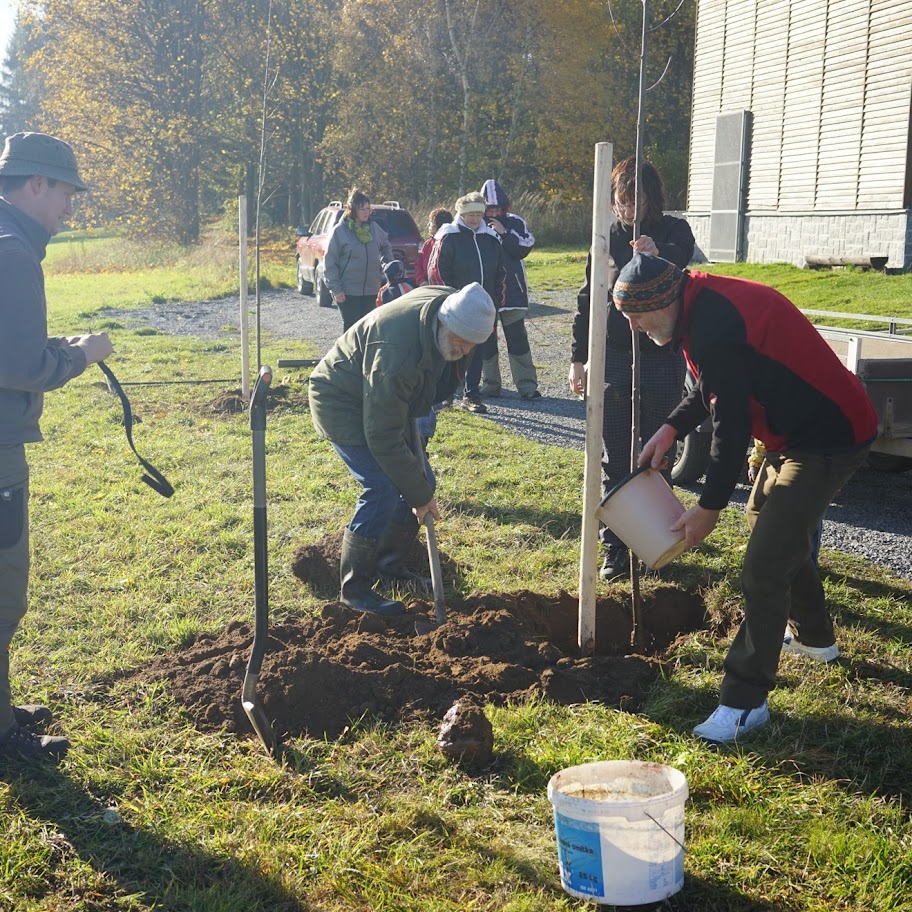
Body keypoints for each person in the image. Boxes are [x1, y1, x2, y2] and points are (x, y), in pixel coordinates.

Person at [614, 252, 877, 744]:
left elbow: (731, 427)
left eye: (635, 315)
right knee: (770, 525)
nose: (632, 325)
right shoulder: (696, 306)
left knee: (764, 564)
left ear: (663, 300)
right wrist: (671, 428)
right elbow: (708, 389)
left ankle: (745, 701)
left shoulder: (714, 321)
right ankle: (815, 639)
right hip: (792, 434)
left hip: (829, 436)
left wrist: (709, 506)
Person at [0, 131, 114, 761]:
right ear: (36, 184)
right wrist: (81, 354)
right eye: (66, 191)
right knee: (3, 588)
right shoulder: (13, 251)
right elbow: (18, 365)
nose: (70, 207)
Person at [309, 282, 496, 615]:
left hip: (385, 398)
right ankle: (354, 591)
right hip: (341, 399)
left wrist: (421, 490)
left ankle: (389, 566)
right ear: (445, 323)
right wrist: (419, 497)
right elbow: (382, 433)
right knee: (381, 487)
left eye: (471, 347)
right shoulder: (395, 355)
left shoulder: (447, 306)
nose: (464, 352)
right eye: (460, 343)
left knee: (422, 481)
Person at [569, 157, 695, 581]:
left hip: (660, 353)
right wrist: (578, 358)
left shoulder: (674, 231)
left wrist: (657, 255)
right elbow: (588, 300)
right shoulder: (603, 239)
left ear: (651, 198)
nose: (627, 209)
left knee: (657, 452)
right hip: (613, 354)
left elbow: (682, 261)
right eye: (621, 200)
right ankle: (616, 549)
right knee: (616, 453)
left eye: (635, 199)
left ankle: (658, 542)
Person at [428, 192, 505, 414]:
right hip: (454, 308)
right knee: (450, 349)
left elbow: (500, 273)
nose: (474, 219)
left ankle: (472, 395)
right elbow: (437, 272)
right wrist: (449, 301)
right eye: (470, 214)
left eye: (478, 214)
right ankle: (445, 394)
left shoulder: (490, 239)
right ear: (461, 214)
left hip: (483, 307)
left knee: (476, 351)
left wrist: (496, 302)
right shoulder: (448, 237)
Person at [478, 179, 541, 400]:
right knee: (486, 340)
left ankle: (527, 385)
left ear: (504, 206)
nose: (493, 212)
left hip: (513, 292)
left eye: (496, 207)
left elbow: (523, 249)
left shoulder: (515, 223)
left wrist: (504, 233)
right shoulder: (475, 225)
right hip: (485, 293)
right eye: (489, 208)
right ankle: (491, 384)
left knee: (517, 339)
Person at [324, 188, 393, 331]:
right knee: (352, 329)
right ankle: (348, 354)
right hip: (348, 291)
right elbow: (330, 262)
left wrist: (387, 265)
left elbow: (386, 247)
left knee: (368, 328)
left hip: (372, 289)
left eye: (368, 208)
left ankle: (365, 354)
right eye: (362, 209)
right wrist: (336, 289)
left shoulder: (374, 228)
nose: (366, 212)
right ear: (352, 210)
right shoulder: (340, 231)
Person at [414, 208, 452, 286]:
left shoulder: (451, 244)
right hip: (428, 289)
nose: (428, 225)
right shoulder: (427, 244)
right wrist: (422, 281)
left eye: (431, 223)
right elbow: (418, 265)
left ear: (438, 225)